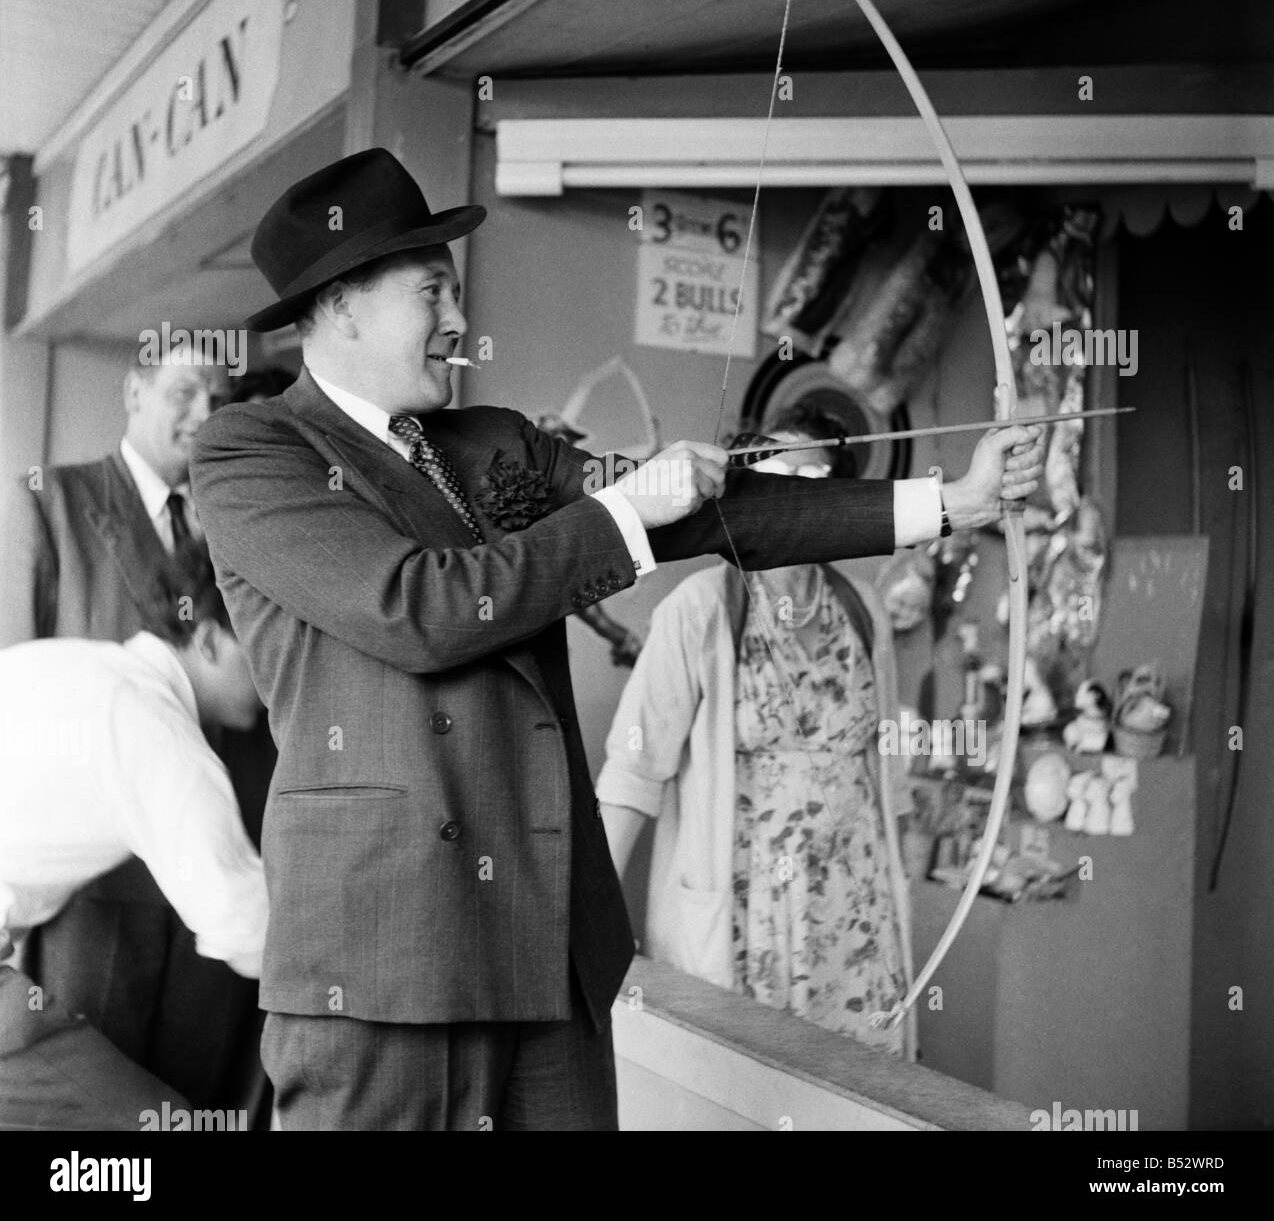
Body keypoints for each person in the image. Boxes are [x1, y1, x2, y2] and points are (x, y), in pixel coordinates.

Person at [189, 146, 1044, 1131]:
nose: (459, 322)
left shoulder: (490, 441)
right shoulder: (251, 452)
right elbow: (415, 608)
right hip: (384, 967)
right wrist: (624, 510)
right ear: (342, 303)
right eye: (433, 291)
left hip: (551, 948)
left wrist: (952, 498)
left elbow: (720, 518)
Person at [0, 353, 270, 1115]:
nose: (278, 677)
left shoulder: (90, 670)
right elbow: (244, 923)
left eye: (218, 398)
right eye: (184, 390)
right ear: (210, 639)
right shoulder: (50, 499)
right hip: (91, 927)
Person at [598, 409, 916, 1056]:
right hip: (748, 918)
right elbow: (633, 774)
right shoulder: (700, 608)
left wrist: (904, 904)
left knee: (861, 1100)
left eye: (817, 485)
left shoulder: (863, 610)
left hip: (856, 914)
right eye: (781, 481)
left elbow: (891, 776)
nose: (797, 502)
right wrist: (586, 927)